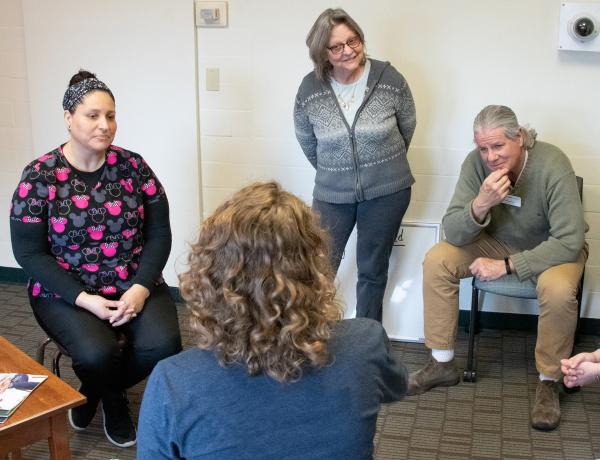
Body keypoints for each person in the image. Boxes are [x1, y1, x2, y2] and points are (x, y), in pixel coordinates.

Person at [137, 182, 408, 459]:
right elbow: (396, 388)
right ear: (315, 267)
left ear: (209, 274)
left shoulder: (173, 382)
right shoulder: (366, 343)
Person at [9, 70, 182, 447]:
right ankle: (114, 401)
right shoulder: (39, 177)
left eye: (111, 115)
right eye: (92, 115)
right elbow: (29, 253)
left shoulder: (133, 168)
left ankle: (92, 392)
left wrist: (139, 289)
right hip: (65, 291)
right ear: (68, 118)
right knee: (97, 352)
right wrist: (84, 299)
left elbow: (159, 234)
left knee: (164, 347)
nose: (105, 125)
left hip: (133, 280)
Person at [407, 105, 587, 432]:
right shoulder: (474, 165)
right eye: (483, 148)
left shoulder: (552, 162)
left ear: (519, 137)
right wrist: (480, 204)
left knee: (558, 290)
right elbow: (454, 231)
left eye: (498, 146)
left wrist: (506, 266)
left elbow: (570, 240)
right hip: (497, 240)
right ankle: (441, 363)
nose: (490, 156)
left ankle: (550, 381)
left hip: (552, 247)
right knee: (437, 258)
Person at [294, 8, 416, 322]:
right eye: (337, 46)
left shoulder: (389, 79)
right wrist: (338, 170)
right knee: (318, 269)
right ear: (322, 52)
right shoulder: (310, 90)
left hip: (387, 191)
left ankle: (367, 342)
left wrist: (381, 165)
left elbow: (407, 126)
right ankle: (308, 339)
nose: (349, 50)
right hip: (332, 193)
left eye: (354, 40)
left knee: (372, 271)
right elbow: (308, 141)